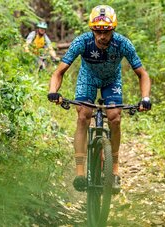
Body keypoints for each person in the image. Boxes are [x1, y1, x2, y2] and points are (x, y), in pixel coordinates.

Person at [47, 5, 152, 192]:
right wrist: (53, 91)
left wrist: (145, 98)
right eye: (97, 31)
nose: (102, 36)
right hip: (88, 78)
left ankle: (115, 170)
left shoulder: (123, 44)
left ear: (113, 29)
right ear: (92, 30)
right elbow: (59, 72)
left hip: (111, 80)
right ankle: (80, 172)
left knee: (115, 117)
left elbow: (142, 74)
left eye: (107, 31)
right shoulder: (82, 42)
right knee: (83, 115)